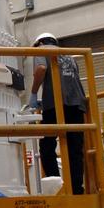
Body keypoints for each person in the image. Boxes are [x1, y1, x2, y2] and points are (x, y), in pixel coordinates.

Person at [28, 31, 87, 196]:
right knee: (75, 149)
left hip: (55, 105)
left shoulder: (41, 50)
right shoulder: (69, 56)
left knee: (47, 146)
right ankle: (77, 190)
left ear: (39, 43)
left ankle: (56, 186)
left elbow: (41, 68)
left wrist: (34, 93)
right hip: (76, 104)